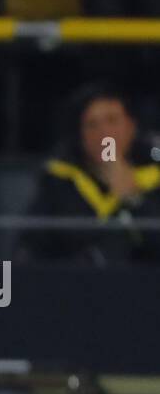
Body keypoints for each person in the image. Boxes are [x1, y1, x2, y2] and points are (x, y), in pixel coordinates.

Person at [19, 84, 160, 264]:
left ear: (131, 127)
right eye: (92, 125)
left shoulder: (153, 178)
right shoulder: (60, 182)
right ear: (80, 136)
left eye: (112, 120)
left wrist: (134, 199)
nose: (104, 133)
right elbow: (29, 253)